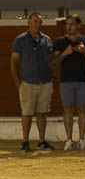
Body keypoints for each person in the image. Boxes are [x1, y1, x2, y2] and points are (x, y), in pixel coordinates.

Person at [11, 12, 56, 152]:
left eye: (40, 22)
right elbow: (13, 62)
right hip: (28, 82)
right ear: (29, 23)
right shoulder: (20, 40)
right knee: (27, 113)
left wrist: (52, 77)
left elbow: (50, 60)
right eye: (35, 21)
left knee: (42, 113)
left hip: (45, 82)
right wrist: (18, 83)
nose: (38, 24)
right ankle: (25, 141)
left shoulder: (47, 39)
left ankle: (42, 141)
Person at [50, 15, 85, 151]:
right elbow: (54, 62)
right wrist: (65, 53)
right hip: (66, 81)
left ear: (78, 26)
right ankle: (69, 140)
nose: (69, 26)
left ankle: (81, 139)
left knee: (82, 110)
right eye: (67, 24)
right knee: (67, 110)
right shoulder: (59, 42)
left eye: (72, 24)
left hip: (82, 80)